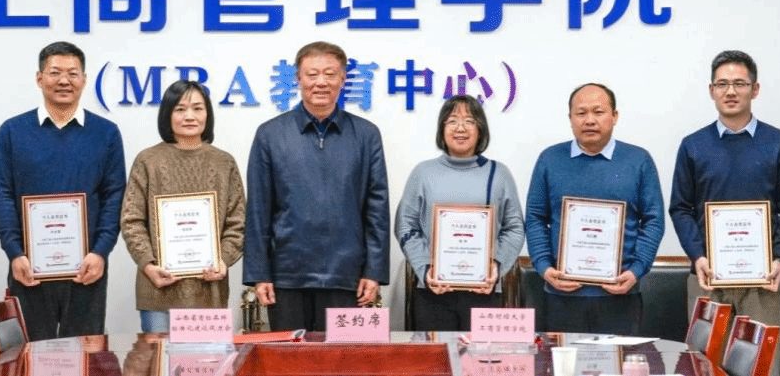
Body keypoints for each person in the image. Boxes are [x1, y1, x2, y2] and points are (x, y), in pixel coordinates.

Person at [669, 50, 780, 376]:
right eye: (722, 84)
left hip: (763, 283)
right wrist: (698, 256)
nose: (730, 91)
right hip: (708, 279)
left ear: (755, 89)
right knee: (705, 369)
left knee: (762, 369)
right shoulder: (693, 145)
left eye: (739, 84)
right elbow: (680, 207)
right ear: (711, 90)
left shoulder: (777, 142)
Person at [243, 41, 390, 331]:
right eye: (312, 74)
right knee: (289, 356)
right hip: (286, 276)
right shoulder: (270, 134)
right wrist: (259, 274)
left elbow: (377, 208)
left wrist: (373, 271)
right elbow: (258, 209)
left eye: (330, 74)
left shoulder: (366, 135)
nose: (321, 82)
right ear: (298, 78)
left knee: (340, 356)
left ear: (343, 79)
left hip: (346, 275)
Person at [0, 41, 126, 339]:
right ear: (39, 78)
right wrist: (14, 252)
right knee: (30, 353)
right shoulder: (12, 131)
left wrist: (100, 251)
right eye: (55, 73)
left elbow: (114, 195)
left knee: (85, 353)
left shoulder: (106, 133)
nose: (64, 80)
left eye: (73, 73)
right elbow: (2, 194)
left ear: (84, 80)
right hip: (29, 268)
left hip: (86, 269)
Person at [524, 83, 666, 335]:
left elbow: (654, 220)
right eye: (581, 113)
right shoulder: (550, 159)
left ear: (615, 116)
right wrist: (544, 267)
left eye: (598, 112)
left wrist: (636, 270)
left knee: (620, 360)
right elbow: (535, 217)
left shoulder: (639, 160)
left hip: (620, 294)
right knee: (562, 359)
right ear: (570, 118)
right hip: (562, 295)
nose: (589, 120)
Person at [120, 80, 246, 332]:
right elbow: (131, 220)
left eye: (197, 108)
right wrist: (148, 265)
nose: (189, 116)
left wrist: (223, 260)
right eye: (180, 109)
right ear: (167, 114)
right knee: (158, 358)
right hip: (159, 292)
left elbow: (238, 221)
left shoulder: (224, 163)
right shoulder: (147, 161)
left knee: (206, 359)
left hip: (209, 292)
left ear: (207, 114)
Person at [394, 95, 525, 331]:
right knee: (435, 354)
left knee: (481, 355)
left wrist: (497, 266)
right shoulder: (423, 173)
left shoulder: (499, 174)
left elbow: (515, 227)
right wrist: (425, 269)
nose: (460, 128)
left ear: (481, 129)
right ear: (442, 128)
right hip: (433, 293)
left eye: (469, 121)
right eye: (452, 121)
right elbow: (405, 225)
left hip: (484, 291)